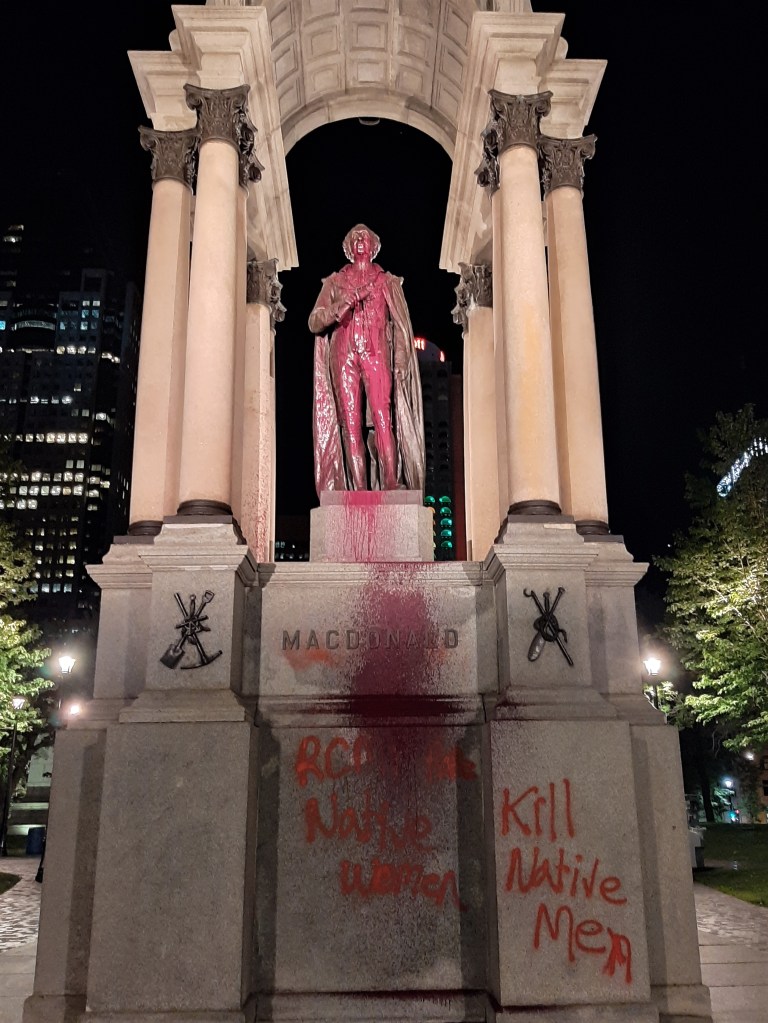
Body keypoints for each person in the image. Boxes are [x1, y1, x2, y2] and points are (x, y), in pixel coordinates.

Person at [308, 224, 425, 495]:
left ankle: (392, 482)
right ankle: (358, 488)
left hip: (376, 354)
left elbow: (399, 325)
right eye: (355, 237)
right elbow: (314, 321)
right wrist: (343, 304)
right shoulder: (335, 282)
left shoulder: (387, 282)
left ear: (374, 246)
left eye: (365, 237)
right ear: (348, 247)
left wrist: (401, 361)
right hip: (344, 355)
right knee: (350, 423)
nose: (360, 240)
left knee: (383, 417)